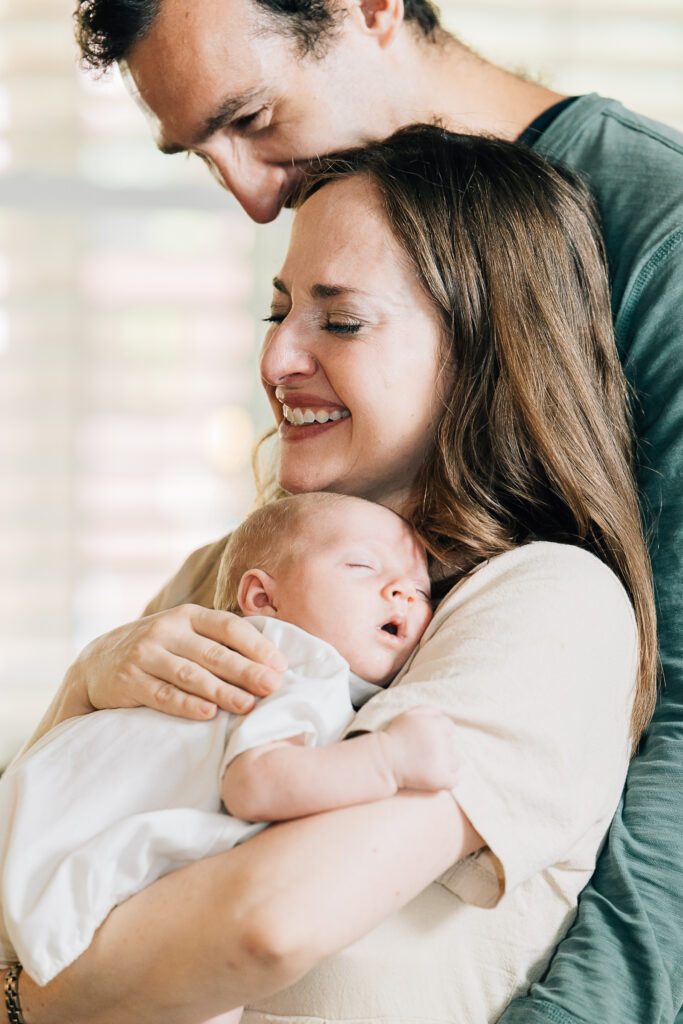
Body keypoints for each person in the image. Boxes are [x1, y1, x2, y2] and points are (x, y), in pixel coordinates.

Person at [65, 8, 683, 1021]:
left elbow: (266, 924)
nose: (253, 194)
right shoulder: (249, 561)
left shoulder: (655, 244)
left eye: (253, 117)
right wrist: (88, 685)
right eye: (279, 312)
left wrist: (41, 986)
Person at [1, 492, 456, 1002]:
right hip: (42, 862)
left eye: (421, 590)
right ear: (263, 599)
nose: (402, 592)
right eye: (361, 566)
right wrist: (388, 760)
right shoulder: (292, 658)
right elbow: (256, 783)